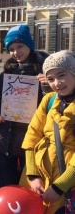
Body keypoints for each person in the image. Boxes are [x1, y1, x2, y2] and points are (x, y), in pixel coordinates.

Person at [0, 24, 51, 190]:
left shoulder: (45, 74)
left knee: (29, 188)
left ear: (29, 45)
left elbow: (53, 106)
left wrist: (48, 86)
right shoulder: (5, 74)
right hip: (3, 141)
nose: (16, 52)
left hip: (31, 142)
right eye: (11, 48)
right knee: (5, 187)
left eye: (20, 46)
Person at [20, 50, 75, 213]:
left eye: (61, 75)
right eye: (50, 79)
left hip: (67, 181)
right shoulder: (49, 100)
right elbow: (32, 135)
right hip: (39, 175)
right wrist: (32, 175)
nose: (57, 83)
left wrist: (60, 186)